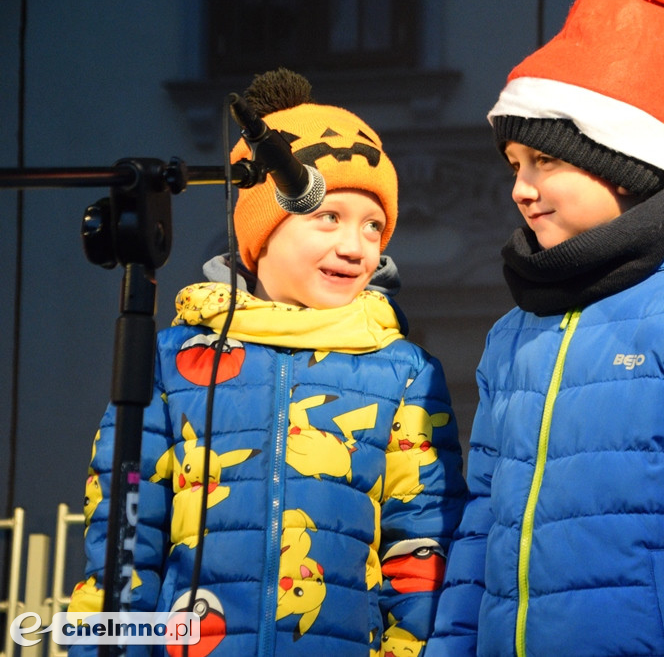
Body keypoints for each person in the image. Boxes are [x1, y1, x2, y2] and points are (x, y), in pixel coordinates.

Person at [427, 0, 664, 655]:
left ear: (622, 165)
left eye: (544, 159)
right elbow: (480, 526)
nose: (521, 187)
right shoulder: (515, 328)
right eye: (515, 162)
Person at [70, 68, 467, 656]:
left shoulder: (403, 372)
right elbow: (123, 538)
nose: (355, 246)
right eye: (327, 216)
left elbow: (423, 552)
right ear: (262, 225)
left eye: (374, 225)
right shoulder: (172, 362)